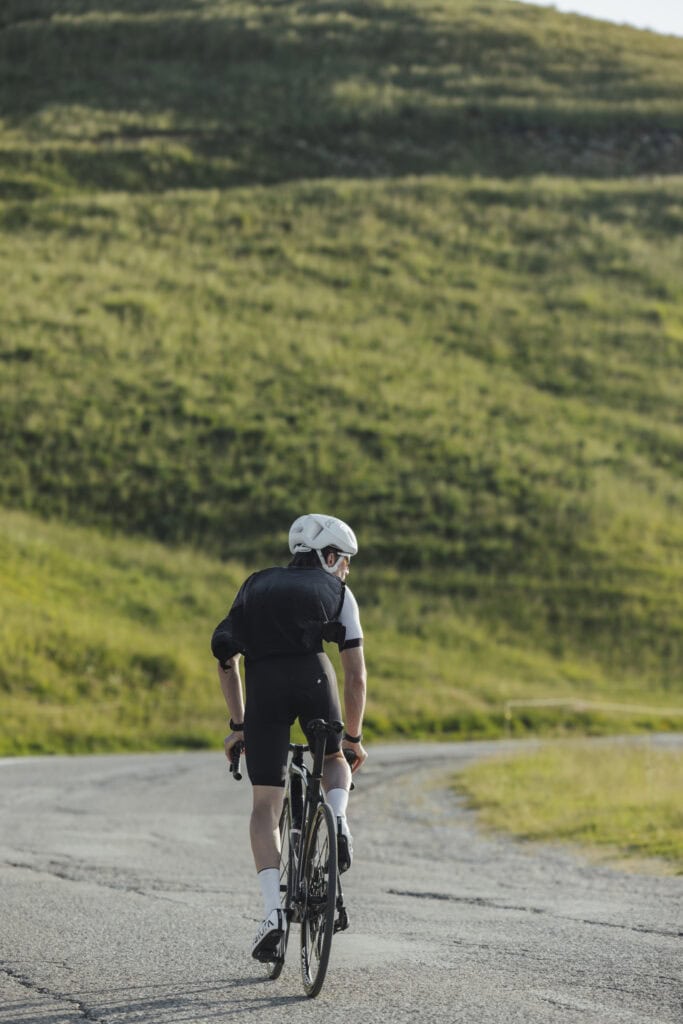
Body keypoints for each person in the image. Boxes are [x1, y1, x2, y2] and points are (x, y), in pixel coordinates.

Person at [211, 513, 368, 961]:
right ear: (330, 556)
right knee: (334, 759)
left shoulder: (254, 586)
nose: (348, 570)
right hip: (314, 679)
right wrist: (352, 738)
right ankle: (337, 819)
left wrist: (239, 725)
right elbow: (355, 676)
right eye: (346, 561)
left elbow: (226, 657)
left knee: (265, 807)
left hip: (264, 691)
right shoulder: (338, 592)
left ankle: (271, 913)